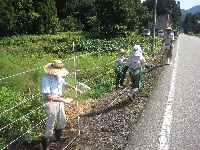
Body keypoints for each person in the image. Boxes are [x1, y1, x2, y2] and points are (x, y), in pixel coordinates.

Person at [40, 60, 82, 150]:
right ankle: (45, 144)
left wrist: (75, 89)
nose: (57, 72)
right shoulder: (45, 79)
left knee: (62, 120)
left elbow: (65, 84)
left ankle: (58, 136)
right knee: (50, 124)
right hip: (50, 103)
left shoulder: (58, 77)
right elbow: (48, 96)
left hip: (59, 101)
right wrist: (63, 100)